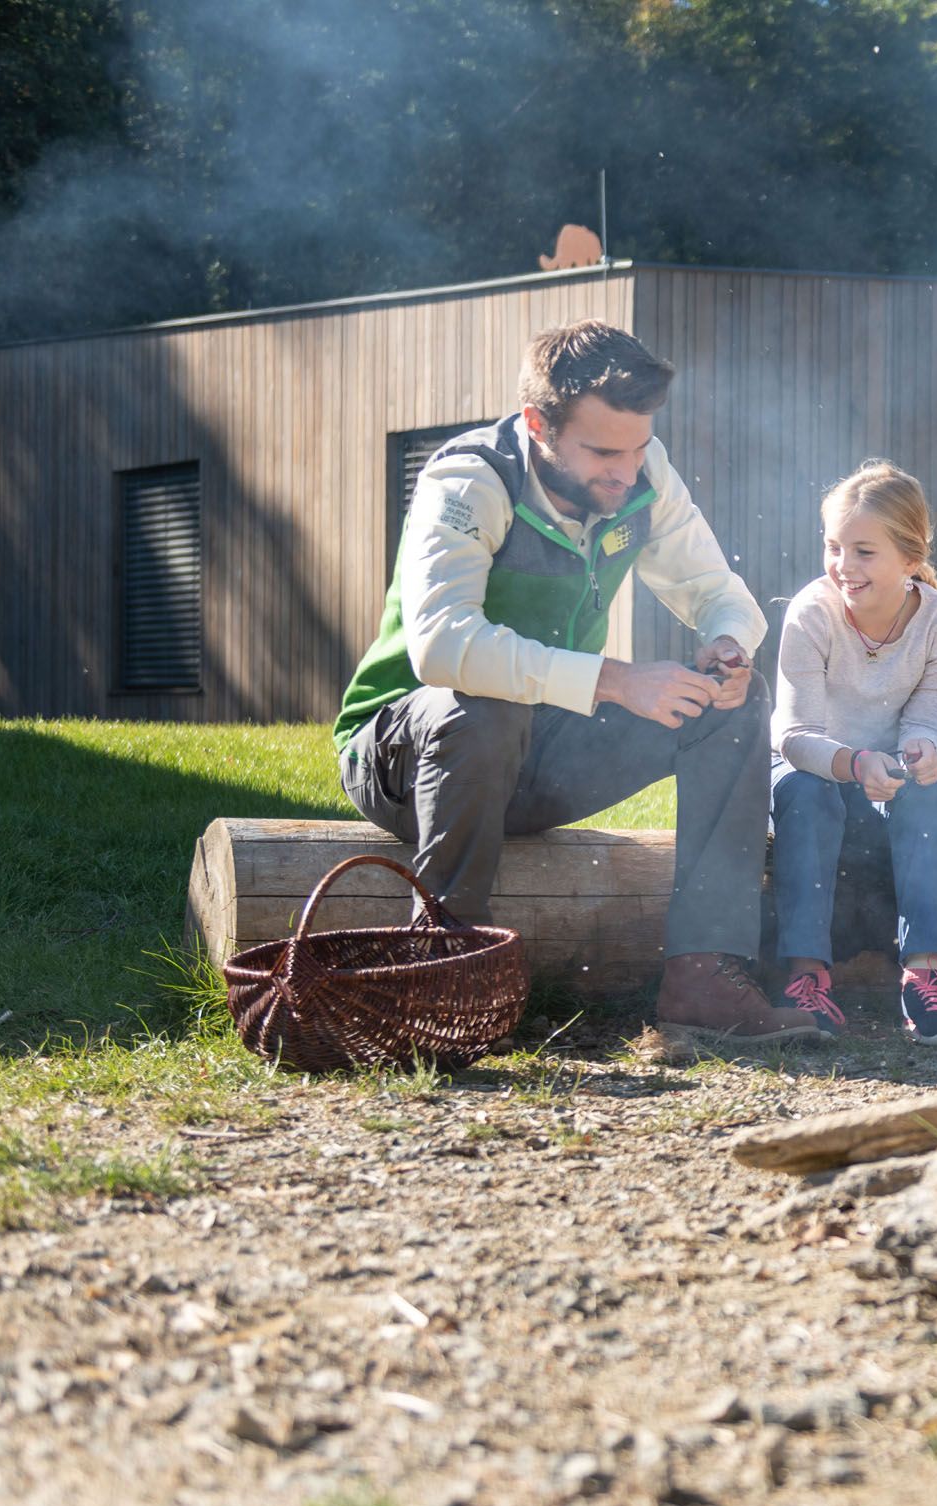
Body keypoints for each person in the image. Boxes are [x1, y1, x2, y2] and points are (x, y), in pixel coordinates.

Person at [333, 319, 819, 1046]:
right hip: (406, 755)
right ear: (537, 424)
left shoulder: (641, 472)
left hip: (538, 755)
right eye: (601, 452)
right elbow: (442, 648)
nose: (626, 473)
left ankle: (704, 976)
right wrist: (617, 680)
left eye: (638, 448)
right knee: (483, 705)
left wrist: (724, 646)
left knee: (731, 699)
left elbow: (720, 592)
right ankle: (441, 970)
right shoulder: (467, 479)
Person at [768, 461, 937, 1043]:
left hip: (883, 769)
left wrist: (924, 751)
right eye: (834, 547)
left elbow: (927, 716)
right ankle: (807, 978)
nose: (843, 567)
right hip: (808, 766)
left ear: (911, 558)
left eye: (864, 552)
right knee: (808, 794)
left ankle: (925, 974)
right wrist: (852, 763)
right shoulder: (812, 613)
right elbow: (793, 734)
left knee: (928, 791)